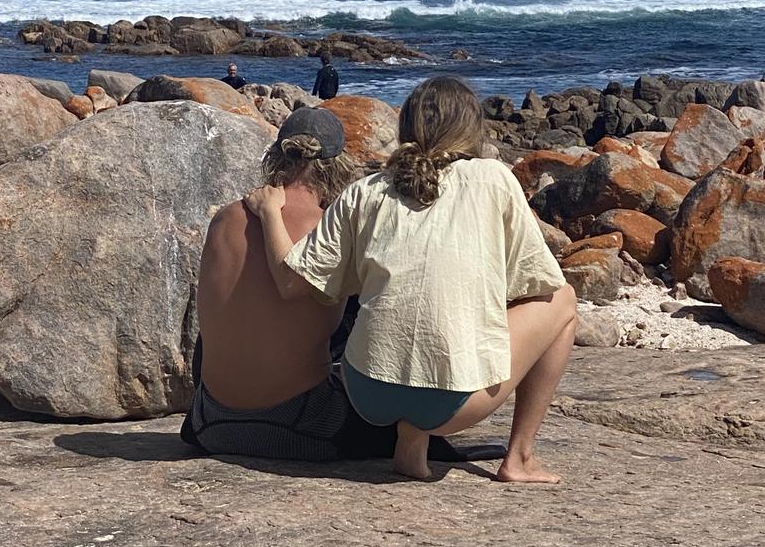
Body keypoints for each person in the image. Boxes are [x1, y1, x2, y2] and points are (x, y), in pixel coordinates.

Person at [245, 76, 578, 482]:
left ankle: (411, 439)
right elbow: (537, 282)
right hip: (452, 402)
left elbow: (291, 283)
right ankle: (520, 457)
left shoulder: (364, 191)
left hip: (366, 391)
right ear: (469, 130)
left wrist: (268, 214)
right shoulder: (492, 178)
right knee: (563, 299)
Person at [181, 105, 503, 466]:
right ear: (336, 166)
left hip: (211, 425)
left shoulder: (225, 218)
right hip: (300, 429)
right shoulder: (330, 227)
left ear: (277, 157)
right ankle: (428, 445)